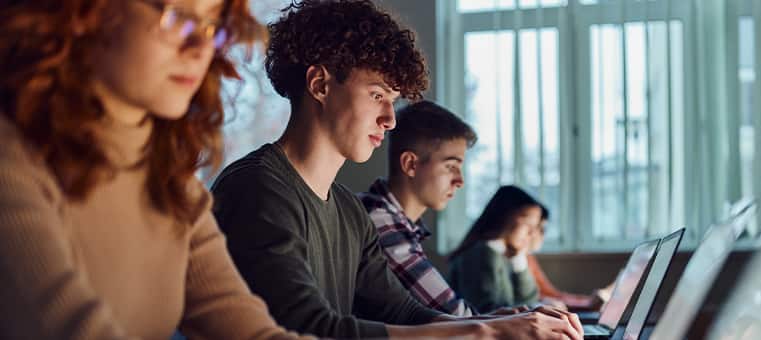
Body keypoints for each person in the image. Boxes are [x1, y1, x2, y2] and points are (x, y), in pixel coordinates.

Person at [210, 1, 583, 339]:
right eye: (377, 96)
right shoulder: (257, 188)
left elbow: (403, 311)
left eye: (393, 101)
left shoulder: (350, 210)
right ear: (320, 84)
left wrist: (501, 324)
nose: (390, 120)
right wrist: (486, 332)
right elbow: (310, 328)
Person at [0, 0, 311, 339]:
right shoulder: (12, 160)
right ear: (85, 13)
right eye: (177, 16)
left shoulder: (171, 178)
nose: (201, 47)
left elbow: (248, 330)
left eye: (211, 25)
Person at [357, 100, 478, 317]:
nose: (460, 181)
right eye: (451, 166)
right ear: (410, 164)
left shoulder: (401, 222)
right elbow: (454, 315)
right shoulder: (379, 219)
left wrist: (515, 316)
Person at [449, 185, 548, 313]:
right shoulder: (480, 253)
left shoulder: (505, 254)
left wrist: (518, 259)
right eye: (527, 224)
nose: (532, 233)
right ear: (505, 218)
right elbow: (490, 312)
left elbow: (529, 299)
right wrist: (538, 308)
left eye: (535, 226)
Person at [527, 208, 602, 310]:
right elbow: (540, 298)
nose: (542, 234)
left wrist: (587, 301)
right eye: (540, 228)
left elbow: (551, 294)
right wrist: (588, 303)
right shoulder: (518, 258)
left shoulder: (528, 257)